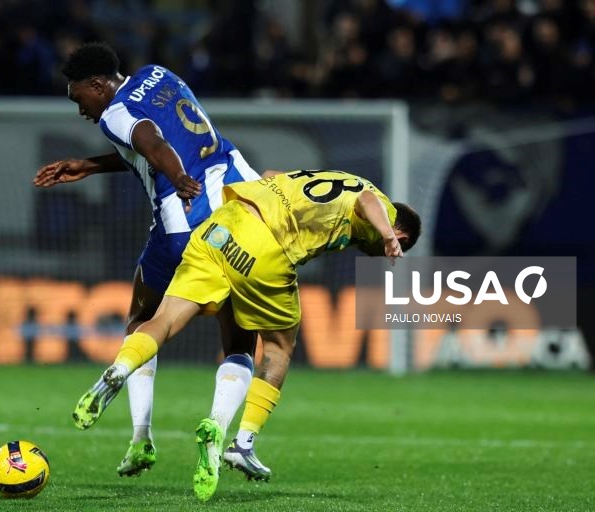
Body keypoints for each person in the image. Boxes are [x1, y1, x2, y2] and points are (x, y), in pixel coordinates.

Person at [73, 169, 422, 501]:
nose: (376, 253)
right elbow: (367, 201)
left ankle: (120, 368)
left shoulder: (339, 180)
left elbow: (272, 176)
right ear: (402, 235)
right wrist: (388, 236)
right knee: (279, 347)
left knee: (163, 319)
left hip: (225, 222)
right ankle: (243, 443)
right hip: (264, 247)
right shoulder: (382, 207)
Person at [33, 42, 271, 480]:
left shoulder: (113, 113)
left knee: (142, 323)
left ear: (97, 85)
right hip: (239, 214)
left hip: (182, 222)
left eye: (78, 97)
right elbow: (154, 141)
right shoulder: (160, 75)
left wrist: (177, 175)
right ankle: (218, 433)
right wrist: (89, 164)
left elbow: (151, 141)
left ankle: (140, 436)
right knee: (239, 341)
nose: (80, 109)